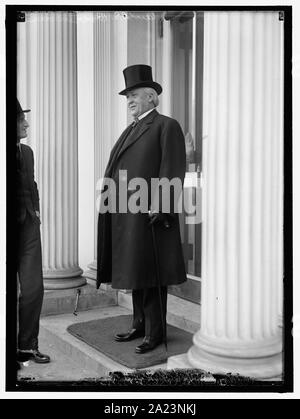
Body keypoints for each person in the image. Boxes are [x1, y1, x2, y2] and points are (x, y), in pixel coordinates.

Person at [96, 65, 187, 354]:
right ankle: (139, 323)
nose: (129, 100)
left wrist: (161, 206)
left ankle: (156, 332)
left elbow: (172, 168)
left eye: (133, 94)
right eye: (127, 97)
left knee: (151, 275)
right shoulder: (131, 129)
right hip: (125, 213)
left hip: (150, 215)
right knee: (136, 271)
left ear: (151, 96)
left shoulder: (165, 125)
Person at [16, 99, 50, 364]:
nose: (26, 123)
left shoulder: (27, 152)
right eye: (19, 119)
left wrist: (36, 212)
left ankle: (27, 345)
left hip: (28, 228)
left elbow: (33, 184)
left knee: (34, 289)